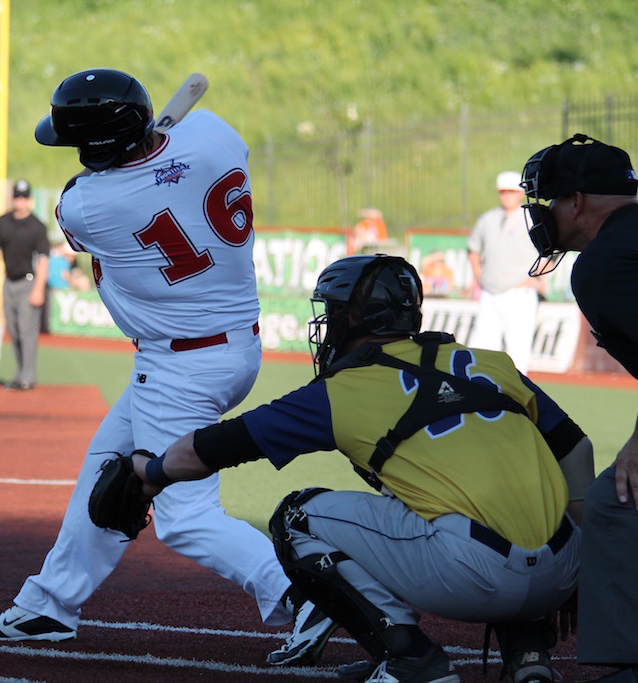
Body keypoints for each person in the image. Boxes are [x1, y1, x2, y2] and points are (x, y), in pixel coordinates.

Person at [0, 67, 336, 668]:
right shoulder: (211, 132)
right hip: (231, 346)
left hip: (180, 367)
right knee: (105, 471)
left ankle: (301, 595)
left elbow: (87, 201)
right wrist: (159, 165)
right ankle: (49, 605)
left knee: (185, 519)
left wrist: (134, 171)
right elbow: (172, 161)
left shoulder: (88, 205)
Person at [118, 254, 593, 683]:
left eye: (331, 312)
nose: (326, 325)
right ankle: (529, 656)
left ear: (352, 318)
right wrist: (579, 560)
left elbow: (213, 447)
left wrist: (151, 472)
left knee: (296, 518)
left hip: (472, 576)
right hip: (564, 568)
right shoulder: (490, 362)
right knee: (488, 498)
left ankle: (411, 659)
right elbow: (576, 448)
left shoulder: (344, 389)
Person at [521, 133, 638, 683]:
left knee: (615, 501)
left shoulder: (603, 263)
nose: (543, 213)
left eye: (549, 200)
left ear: (578, 201)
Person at [466, 171, 545, 374]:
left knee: (518, 349)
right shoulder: (487, 219)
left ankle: (516, 390)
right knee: (482, 347)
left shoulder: (531, 218)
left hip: (520, 293)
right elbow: (473, 249)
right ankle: (481, 387)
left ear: (520, 193)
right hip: (490, 292)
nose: (507, 196)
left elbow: (549, 251)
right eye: (503, 192)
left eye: (511, 191)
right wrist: (478, 276)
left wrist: (538, 277)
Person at [0, 179, 50, 390]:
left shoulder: (37, 226)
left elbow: (43, 260)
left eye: (24, 197)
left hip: (29, 282)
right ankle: (20, 372)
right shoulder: (3, 222)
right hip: (9, 282)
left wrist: (39, 288)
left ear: (29, 199)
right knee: (14, 330)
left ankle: (27, 377)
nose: (20, 201)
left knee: (26, 331)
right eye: (17, 197)